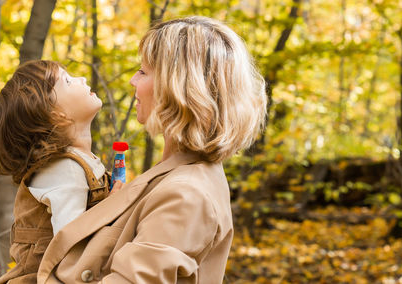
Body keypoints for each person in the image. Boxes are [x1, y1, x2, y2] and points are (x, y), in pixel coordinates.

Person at [37, 16, 267, 283]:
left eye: (144, 72)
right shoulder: (176, 173)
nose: (134, 80)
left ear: (178, 89)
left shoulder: (187, 194)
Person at [0, 60, 111, 283]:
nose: (82, 79)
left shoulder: (81, 163)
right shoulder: (66, 170)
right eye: (68, 80)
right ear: (56, 115)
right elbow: (70, 250)